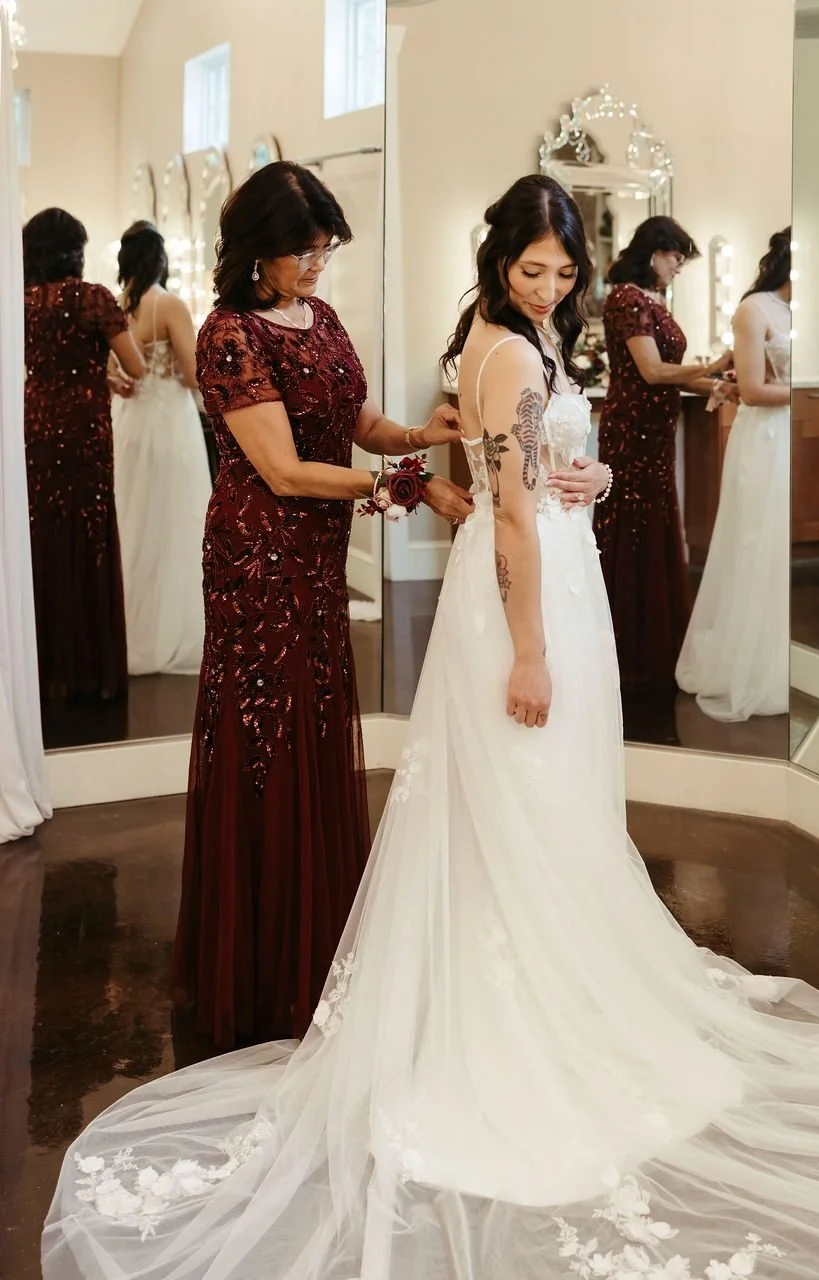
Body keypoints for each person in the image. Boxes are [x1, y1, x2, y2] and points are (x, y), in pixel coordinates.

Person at [43, 180, 819, 1280]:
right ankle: (423, 991)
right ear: (500, 264)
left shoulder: (508, 337)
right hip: (429, 579)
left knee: (526, 796)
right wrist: (518, 630)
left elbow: (477, 457)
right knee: (499, 785)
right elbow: (431, 491)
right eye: (532, 271)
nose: (551, 288)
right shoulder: (462, 346)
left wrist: (541, 469)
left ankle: (466, 967)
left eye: (564, 272)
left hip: (513, 571)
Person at [170, 161, 474, 1050]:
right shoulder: (229, 335)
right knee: (267, 738)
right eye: (301, 251)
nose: (315, 264)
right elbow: (283, 470)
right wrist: (403, 487)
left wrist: (419, 435)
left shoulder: (324, 318)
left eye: (325, 248)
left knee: (314, 723)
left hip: (316, 556)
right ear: (255, 251)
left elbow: (355, 421)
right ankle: (261, 962)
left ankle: (316, 940)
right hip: (258, 560)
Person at [593, 217, 732, 693]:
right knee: (633, 525)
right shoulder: (626, 299)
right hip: (631, 432)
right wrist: (713, 365)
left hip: (656, 431)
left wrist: (714, 385)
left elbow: (667, 374)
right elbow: (651, 371)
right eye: (675, 258)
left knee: (654, 522)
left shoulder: (651, 300)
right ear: (654, 253)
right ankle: (628, 646)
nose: (677, 267)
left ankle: (655, 641)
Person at [22, 208, 145, 705]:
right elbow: (136, 365)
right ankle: (91, 669)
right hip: (86, 429)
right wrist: (102, 371)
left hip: (36, 426)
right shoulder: (94, 298)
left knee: (42, 530)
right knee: (89, 531)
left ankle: (44, 666)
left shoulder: (21, 302)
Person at [676, 229, 792, 721]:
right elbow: (754, 389)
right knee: (754, 541)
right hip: (765, 435)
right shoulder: (754, 309)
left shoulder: (805, 312)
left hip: (791, 431)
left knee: (783, 545)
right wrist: (808, 391)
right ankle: (744, 663)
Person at [110, 221, 210, 676]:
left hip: (129, 422)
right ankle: (169, 628)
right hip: (169, 423)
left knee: (132, 518)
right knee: (174, 519)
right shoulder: (168, 304)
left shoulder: (118, 305)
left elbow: (113, 371)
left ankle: (127, 627)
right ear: (161, 258)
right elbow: (191, 374)